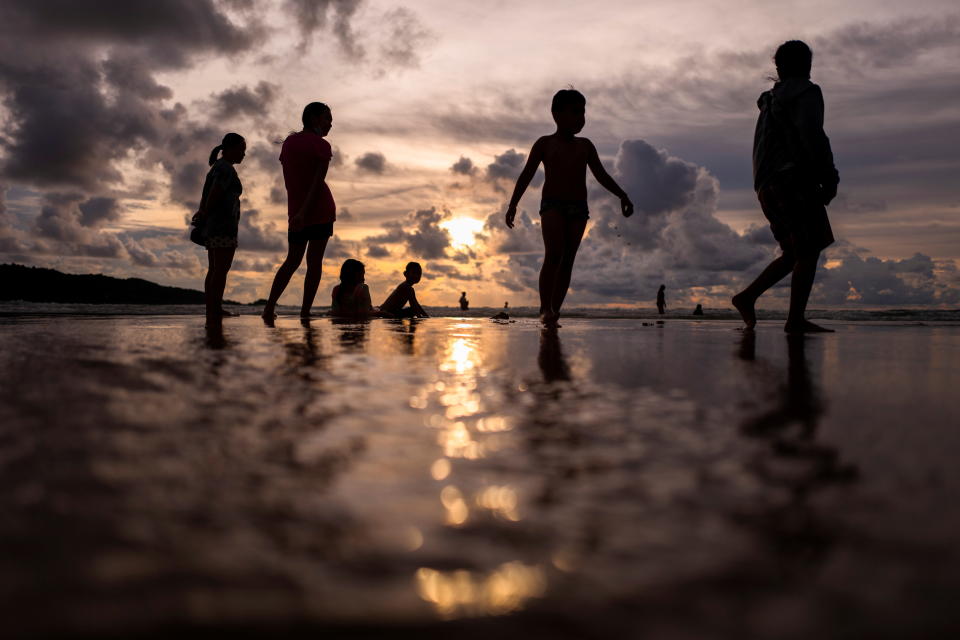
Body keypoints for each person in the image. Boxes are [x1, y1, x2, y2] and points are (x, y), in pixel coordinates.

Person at [732, 41, 839, 334]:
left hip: (765, 185)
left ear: (778, 67)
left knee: (794, 251)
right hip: (791, 180)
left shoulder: (770, 101)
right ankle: (794, 320)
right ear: (807, 65)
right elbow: (813, 136)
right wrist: (829, 176)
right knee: (809, 248)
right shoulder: (806, 92)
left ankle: (746, 297)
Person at [505, 89, 634, 327]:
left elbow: (601, 175)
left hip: (578, 208)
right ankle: (545, 308)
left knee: (568, 260)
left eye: (583, 112)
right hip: (552, 205)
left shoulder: (585, 146)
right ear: (556, 113)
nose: (581, 118)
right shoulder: (545, 143)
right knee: (553, 255)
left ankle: (555, 309)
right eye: (575, 112)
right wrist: (513, 203)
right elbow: (526, 174)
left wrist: (622, 195)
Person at [261, 102, 337, 321]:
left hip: (299, 211)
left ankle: (271, 308)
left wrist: (298, 211)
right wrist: (303, 212)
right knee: (309, 263)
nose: (330, 124)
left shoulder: (289, 143)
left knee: (293, 261)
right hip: (315, 210)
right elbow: (316, 183)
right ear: (313, 118)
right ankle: (302, 312)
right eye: (327, 119)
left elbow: (292, 182)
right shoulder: (320, 145)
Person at [193, 132, 245, 327]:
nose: (243, 154)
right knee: (220, 269)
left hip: (215, 224)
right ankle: (214, 308)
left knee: (214, 269)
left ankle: (213, 307)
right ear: (230, 149)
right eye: (241, 149)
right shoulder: (225, 169)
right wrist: (205, 212)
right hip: (223, 225)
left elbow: (208, 193)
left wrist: (203, 212)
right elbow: (215, 192)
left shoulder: (219, 167)